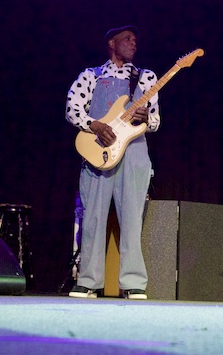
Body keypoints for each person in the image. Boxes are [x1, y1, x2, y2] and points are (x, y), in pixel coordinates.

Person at [65, 25, 159, 300]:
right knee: (93, 217)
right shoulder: (91, 75)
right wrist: (93, 125)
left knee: (132, 219)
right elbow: (72, 109)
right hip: (99, 151)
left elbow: (156, 120)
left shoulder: (146, 77)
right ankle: (88, 281)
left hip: (134, 153)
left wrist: (146, 118)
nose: (133, 43)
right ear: (111, 44)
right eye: (127, 39)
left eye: (135, 40)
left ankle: (133, 283)